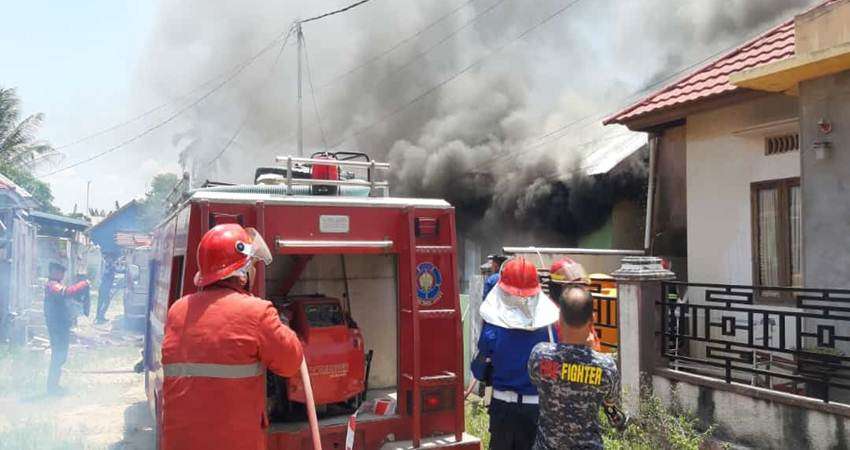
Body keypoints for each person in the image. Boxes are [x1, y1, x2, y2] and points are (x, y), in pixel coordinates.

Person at [161, 224, 304, 450]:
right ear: (243, 272)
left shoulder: (177, 311)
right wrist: (282, 325)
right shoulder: (257, 312)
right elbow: (291, 363)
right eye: (252, 264)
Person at [472, 256, 559, 450]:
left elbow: (478, 371)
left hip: (503, 411)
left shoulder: (492, 331)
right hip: (536, 412)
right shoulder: (552, 329)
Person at [528, 287, 622, 450]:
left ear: (559, 318)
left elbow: (534, 379)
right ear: (593, 319)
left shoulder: (540, 355)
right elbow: (610, 400)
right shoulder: (606, 367)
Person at [44, 262, 90, 395]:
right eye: (60, 271)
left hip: (61, 327)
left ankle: (54, 386)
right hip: (56, 328)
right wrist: (83, 284)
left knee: (60, 357)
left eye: (63, 272)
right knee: (57, 357)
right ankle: (52, 388)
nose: (62, 274)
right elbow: (66, 292)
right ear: (53, 271)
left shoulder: (56, 285)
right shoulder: (52, 285)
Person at [95, 254, 117, 324]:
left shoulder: (109, 266)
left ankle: (99, 316)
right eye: (109, 258)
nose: (109, 260)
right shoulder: (108, 266)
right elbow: (106, 274)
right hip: (104, 287)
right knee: (104, 302)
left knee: (102, 302)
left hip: (105, 287)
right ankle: (100, 316)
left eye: (110, 258)